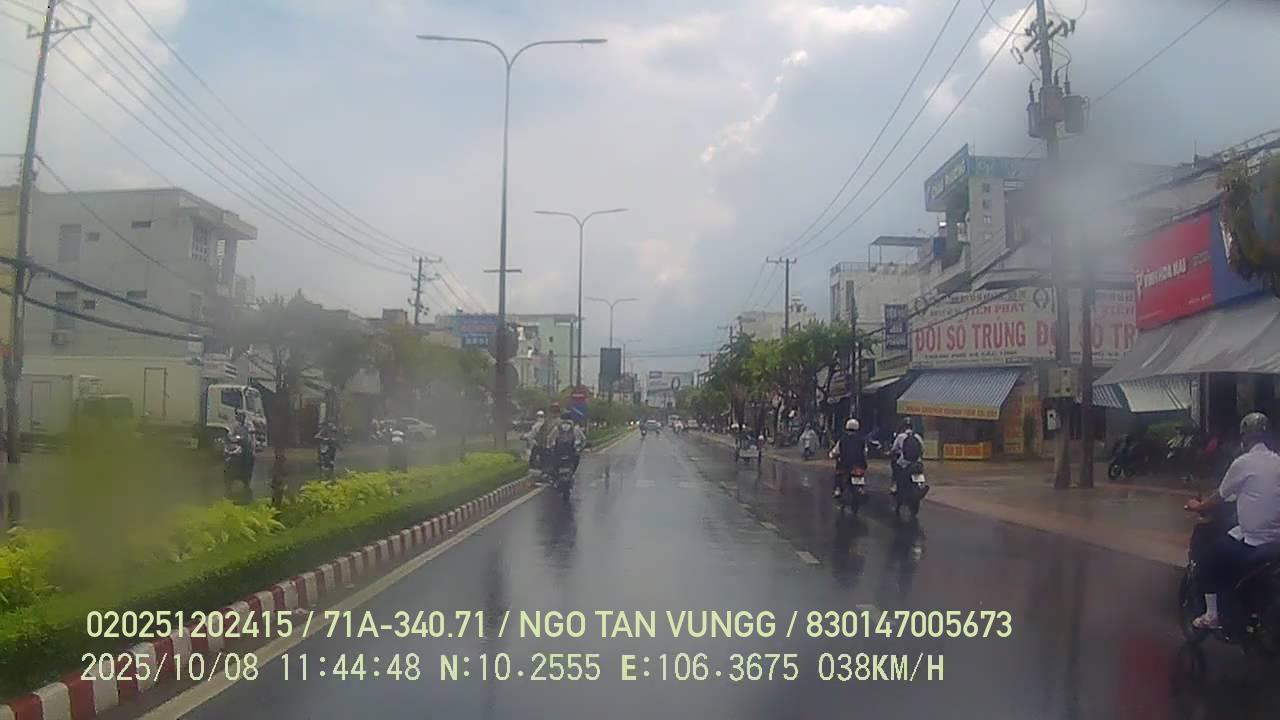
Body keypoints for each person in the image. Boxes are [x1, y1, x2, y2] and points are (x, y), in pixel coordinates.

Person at [1184, 412, 1280, 630]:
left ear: (1244, 438)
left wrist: (1197, 506)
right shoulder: (1278, 461)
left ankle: (1212, 615)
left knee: (1209, 559)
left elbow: (1219, 497)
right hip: (1276, 541)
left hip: (1254, 542)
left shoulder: (1242, 463)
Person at [829, 418, 868, 498]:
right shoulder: (862, 440)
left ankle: (838, 489)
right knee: (860, 473)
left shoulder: (842, 440)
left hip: (845, 464)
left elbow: (835, 451)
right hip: (859, 465)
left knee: (838, 473)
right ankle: (860, 488)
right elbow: (865, 452)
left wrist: (831, 455)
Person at [890, 418, 923, 495]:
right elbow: (922, 449)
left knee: (895, 467)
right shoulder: (917, 436)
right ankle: (920, 485)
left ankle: (895, 486)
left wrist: (891, 452)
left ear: (903, 427)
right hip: (917, 461)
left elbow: (894, 449)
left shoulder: (900, 436)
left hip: (904, 462)